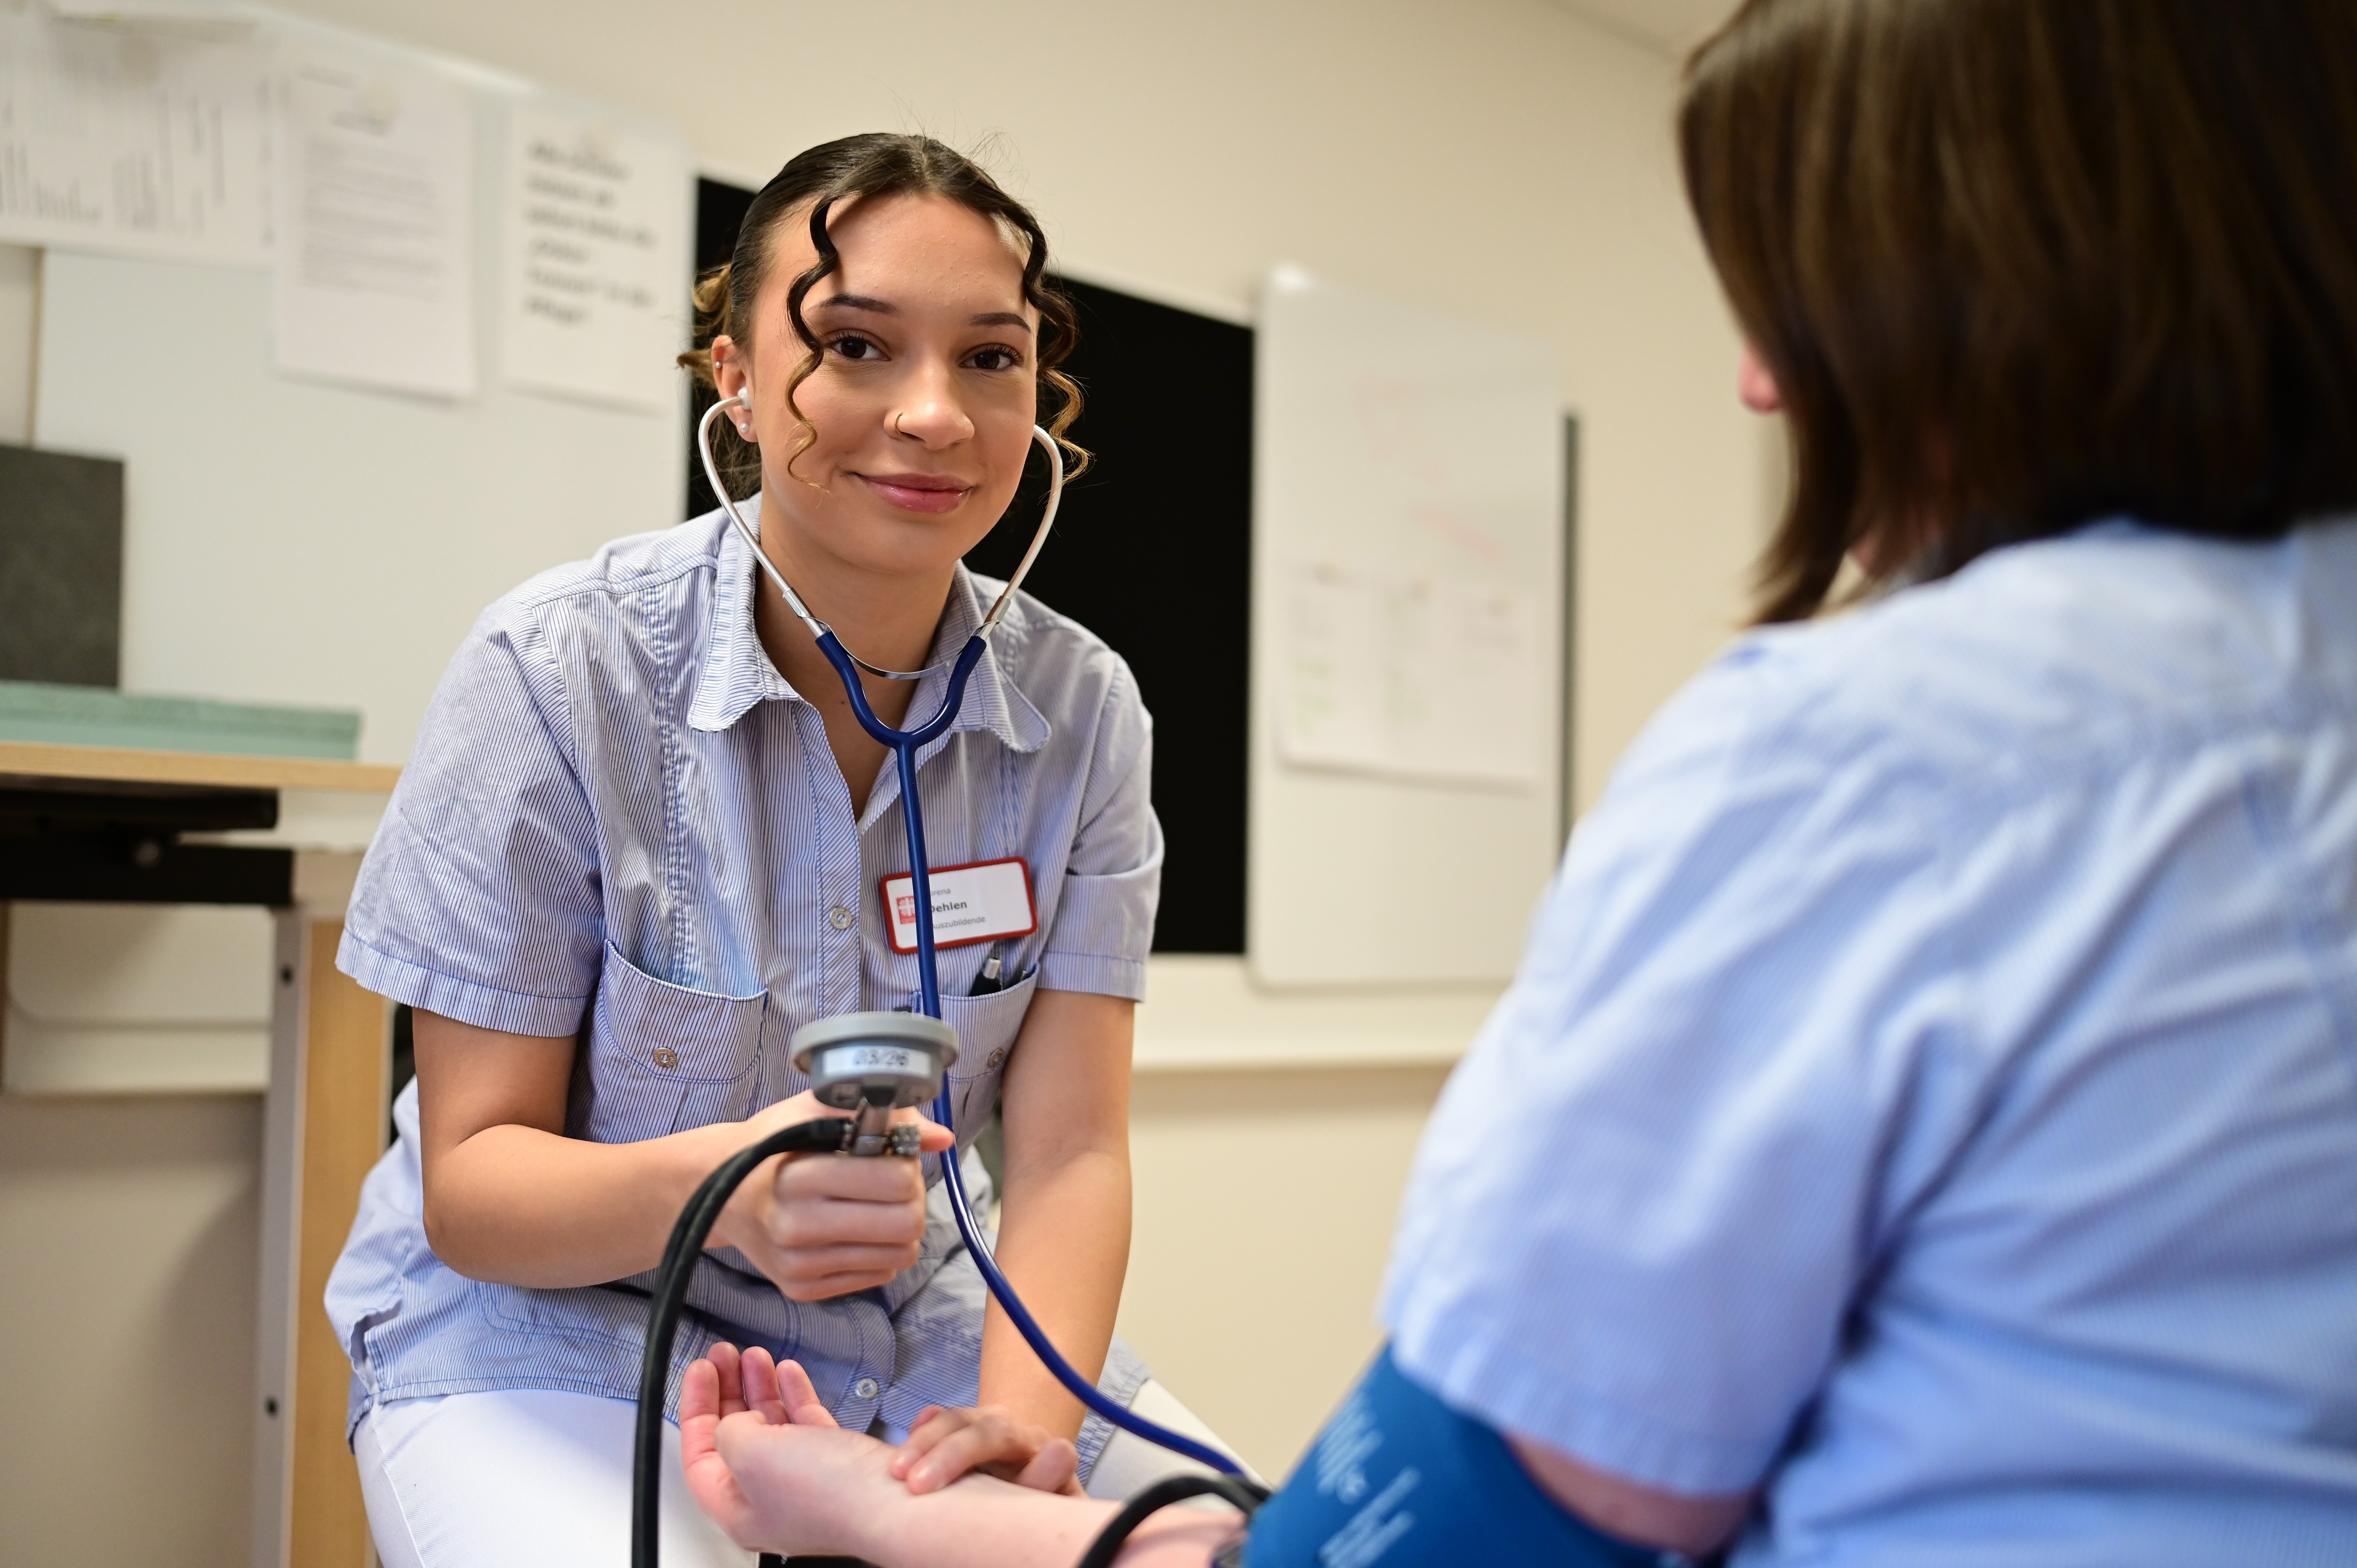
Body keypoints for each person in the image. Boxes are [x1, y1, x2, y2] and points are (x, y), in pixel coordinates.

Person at [661, 1, 2357, 1563]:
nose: (1762, 380)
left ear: (2010, 279)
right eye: (856, 346)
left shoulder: (1877, 757)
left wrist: (885, 1512)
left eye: (1797, 284)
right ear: (735, 375)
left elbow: (1489, 1518)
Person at [326, 133, 1235, 1568]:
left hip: (918, 1328)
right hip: (562, 1326)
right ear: (734, 379)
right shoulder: (556, 671)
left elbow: (1068, 1154)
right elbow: (477, 1187)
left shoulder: (1082, 712)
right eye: (856, 345)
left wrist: (1013, 1441)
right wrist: (730, 1194)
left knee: (1240, 1544)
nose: (934, 413)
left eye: (989, 358)